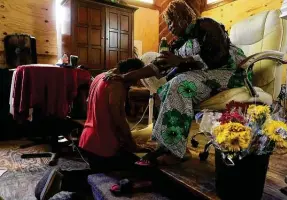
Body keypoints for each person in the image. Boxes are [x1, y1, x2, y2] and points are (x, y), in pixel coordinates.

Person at [105, 0, 251, 166]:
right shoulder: (178, 43)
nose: (169, 27)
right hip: (205, 75)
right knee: (167, 87)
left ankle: (173, 151)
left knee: (179, 84)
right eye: (167, 24)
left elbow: (217, 58)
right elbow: (156, 67)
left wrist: (181, 61)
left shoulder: (207, 26)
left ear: (181, 17)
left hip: (230, 72)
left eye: (170, 22)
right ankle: (170, 145)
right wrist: (126, 76)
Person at [35, 58, 148, 200]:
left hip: (89, 136)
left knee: (97, 175)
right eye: (136, 79)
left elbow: (90, 102)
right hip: (104, 142)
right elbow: (118, 118)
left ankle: (59, 178)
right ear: (131, 72)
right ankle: (63, 180)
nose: (135, 83)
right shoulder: (117, 85)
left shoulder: (101, 76)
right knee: (103, 181)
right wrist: (131, 143)